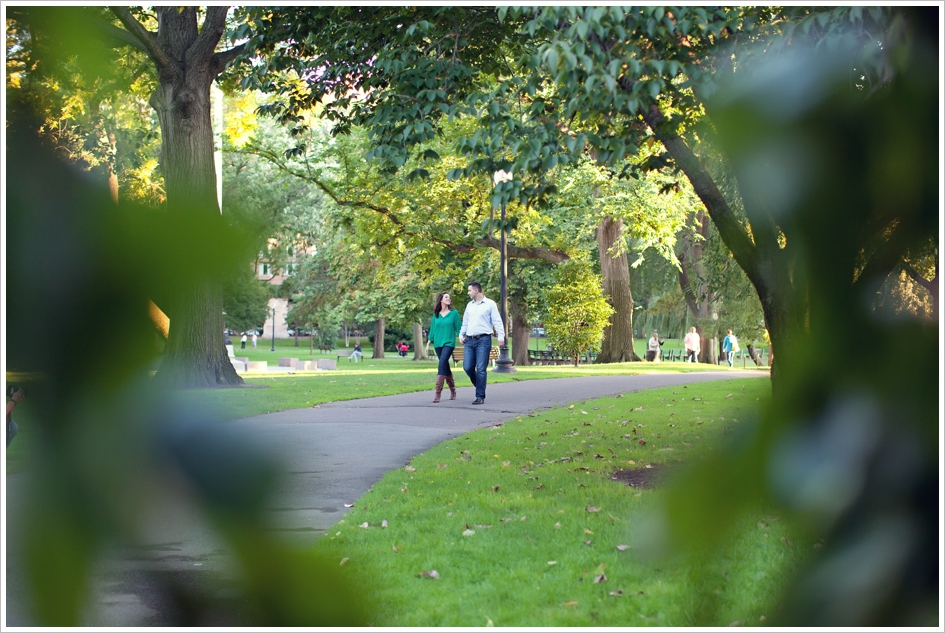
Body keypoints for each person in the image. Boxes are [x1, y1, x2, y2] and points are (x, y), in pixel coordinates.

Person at [459, 282, 505, 405]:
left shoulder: (490, 304)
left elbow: (497, 321)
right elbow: (465, 322)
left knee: (481, 369)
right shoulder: (469, 305)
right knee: (467, 367)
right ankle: (479, 385)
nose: (468, 293)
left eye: (469, 290)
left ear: (476, 291)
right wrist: (461, 335)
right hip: (469, 340)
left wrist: (501, 336)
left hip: (483, 340)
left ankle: (480, 396)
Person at [425, 291, 463, 402]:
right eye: (446, 297)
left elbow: (459, 327)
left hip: (449, 343)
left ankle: (438, 393)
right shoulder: (436, 315)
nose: (449, 298)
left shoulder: (454, 313)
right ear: (441, 300)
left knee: (441, 363)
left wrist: (461, 337)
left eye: (449, 297)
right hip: (438, 343)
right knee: (445, 365)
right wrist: (428, 344)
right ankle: (453, 390)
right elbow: (433, 330)